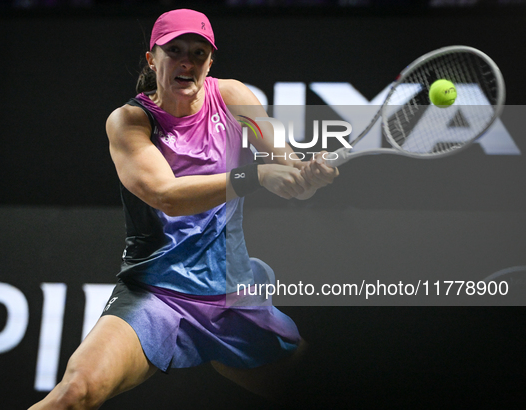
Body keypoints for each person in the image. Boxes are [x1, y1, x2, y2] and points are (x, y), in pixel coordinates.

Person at [29, 8, 338, 410]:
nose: (187, 62)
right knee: (75, 394)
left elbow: (284, 161)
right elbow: (166, 195)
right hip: (157, 296)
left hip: (233, 299)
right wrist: (258, 177)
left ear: (210, 62)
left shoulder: (235, 98)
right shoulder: (129, 122)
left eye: (198, 52)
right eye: (174, 51)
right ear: (151, 59)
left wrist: (307, 174)